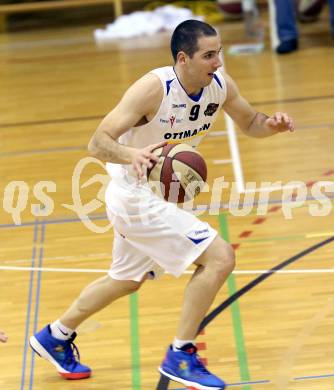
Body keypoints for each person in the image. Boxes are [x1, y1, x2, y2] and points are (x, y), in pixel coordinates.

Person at [29, 20, 294, 389]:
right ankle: (181, 355)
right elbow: (97, 142)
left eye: (219, 52)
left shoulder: (220, 85)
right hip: (133, 196)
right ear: (183, 58)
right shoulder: (153, 89)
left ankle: (54, 337)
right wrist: (130, 153)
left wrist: (273, 125)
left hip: (158, 196)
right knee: (219, 257)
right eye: (208, 55)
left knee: (126, 279)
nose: (218, 61)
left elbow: (250, 121)